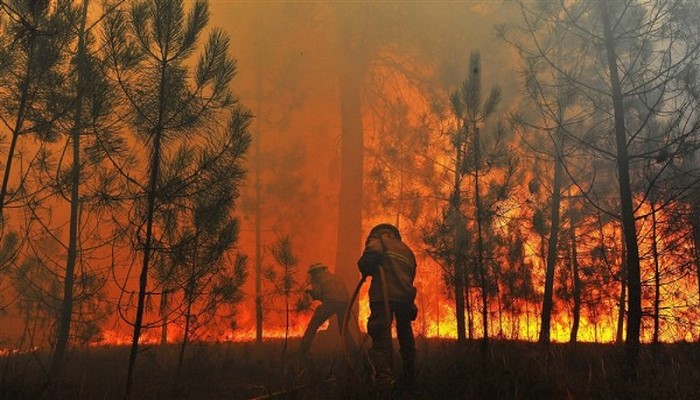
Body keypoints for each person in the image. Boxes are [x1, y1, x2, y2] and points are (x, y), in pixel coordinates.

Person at [358, 223, 418, 395]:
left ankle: (385, 383)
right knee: (405, 335)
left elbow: (372, 254)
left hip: (383, 296)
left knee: (381, 337)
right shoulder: (407, 249)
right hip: (405, 298)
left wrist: (364, 267)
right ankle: (410, 376)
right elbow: (411, 274)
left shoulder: (378, 239)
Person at [299, 262, 352, 356]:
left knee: (314, 324)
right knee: (343, 329)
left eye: (312, 273)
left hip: (331, 302)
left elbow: (319, 295)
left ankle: (303, 351)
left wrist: (310, 293)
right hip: (345, 304)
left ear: (315, 272)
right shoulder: (334, 277)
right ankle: (353, 351)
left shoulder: (319, 279)